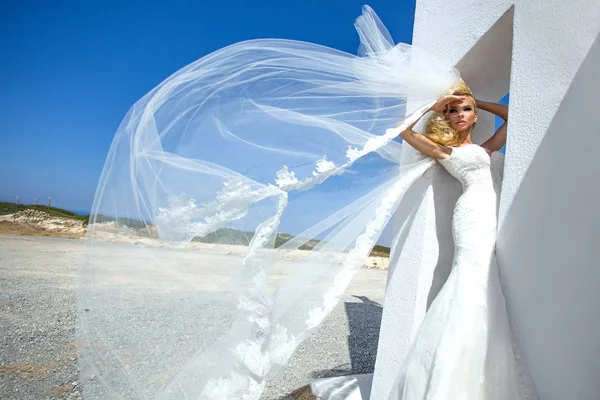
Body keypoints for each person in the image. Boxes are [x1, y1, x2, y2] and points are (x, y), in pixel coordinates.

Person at [390, 81, 527, 399]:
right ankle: (451, 362)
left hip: (489, 218)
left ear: (475, 116)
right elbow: (403, 130)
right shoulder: (445, 150)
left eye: (466, 110)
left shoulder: (486, 149)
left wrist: (475, 99)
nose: (460, 114)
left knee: (485, 281)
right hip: (469, 218)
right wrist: (433, 107)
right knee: (470, 279)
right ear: (447, 118)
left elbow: (514, 116)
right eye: (454, 110)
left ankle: (477, 353)